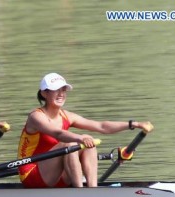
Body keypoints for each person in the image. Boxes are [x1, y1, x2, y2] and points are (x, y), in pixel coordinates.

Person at [18, 72, 153, 188]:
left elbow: (101, 127)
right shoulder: (36, 116)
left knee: (89, 142)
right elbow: (58, 133)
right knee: (72, 144)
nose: (61, 94)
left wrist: (133, 124)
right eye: (56, 90)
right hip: (31, 174)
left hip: (57, 174)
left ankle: (91, 188)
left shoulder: (67, 116)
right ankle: (81, 193)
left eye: (63, 90)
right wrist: (80, 138)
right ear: (44, 93)